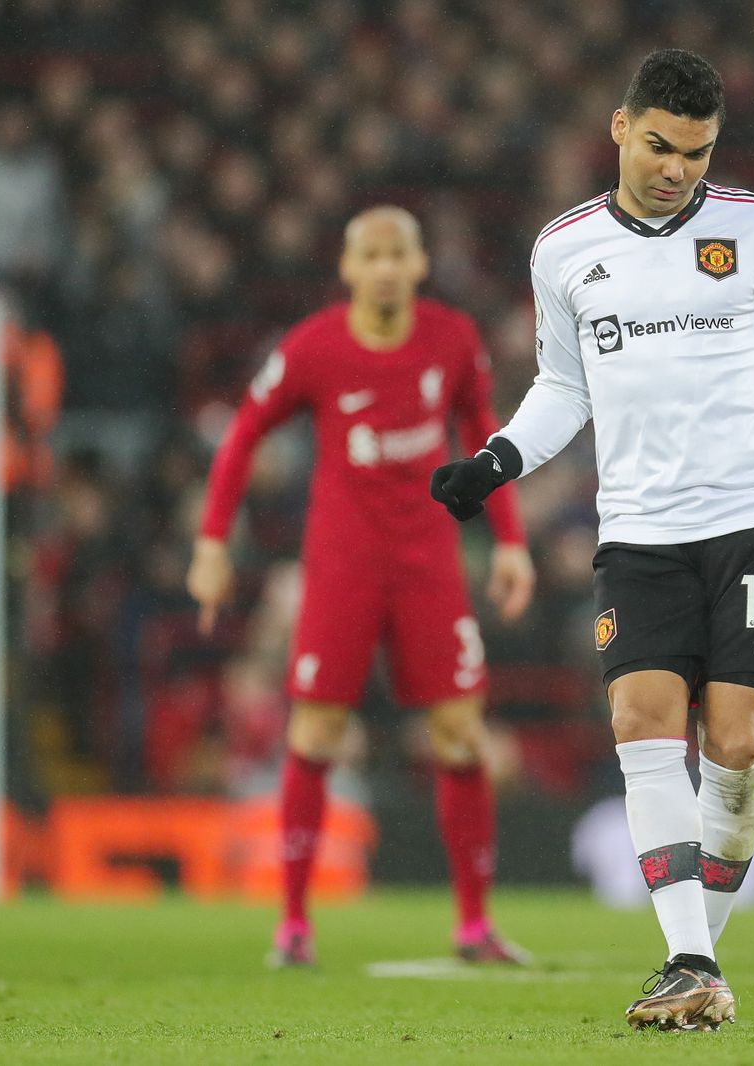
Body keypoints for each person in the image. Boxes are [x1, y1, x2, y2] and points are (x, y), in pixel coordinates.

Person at [431, 49, 754, 1029]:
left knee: (734, 748)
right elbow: (564, 385)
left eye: (696, 154)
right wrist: (496, 460)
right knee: (642, 729)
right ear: (619, 128)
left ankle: (699, 957)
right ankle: (690, 961)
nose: (675, 170)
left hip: (745, 518)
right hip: (640, 528)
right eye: (658, 147)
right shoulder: (563, 249)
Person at [187, 206, 536, 967]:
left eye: (397, 253)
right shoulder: (314, 348)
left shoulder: (452, 339)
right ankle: (293, 925)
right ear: (347, 269)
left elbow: (486, 436)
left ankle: (474, 926)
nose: (383, 267)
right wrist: (213, 542)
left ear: (418, 264)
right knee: (313, 734)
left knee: (460, 734)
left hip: (428, 564)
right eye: (369, 255)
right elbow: (243, 433)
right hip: (341, 567)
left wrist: (510, 543)